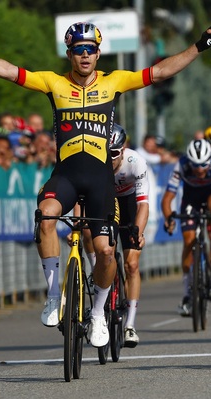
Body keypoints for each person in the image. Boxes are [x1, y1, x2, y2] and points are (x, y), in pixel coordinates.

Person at [0, 18, 211, 347]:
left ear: (98, 54)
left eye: (90, 49)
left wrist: (201, 46)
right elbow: (6, 70)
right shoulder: (53, 83)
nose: (84, 55)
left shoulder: (114, 82)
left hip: (101, 179)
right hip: (67, 174)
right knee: (45, 216)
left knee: (105, 252)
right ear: (69, 54)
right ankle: (52, 295)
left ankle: (99, 313)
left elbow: (160, 72)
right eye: (78, 50)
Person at [80, 123, 149, 347]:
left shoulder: (135, 162)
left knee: (131, 265)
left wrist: (138, 231)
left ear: (123, 149)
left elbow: (143, 205)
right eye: (104, 153)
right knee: (88, 231)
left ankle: (130, 325)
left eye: (114, 154)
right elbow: (81, 199)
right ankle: (96, 269)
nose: (109, 159)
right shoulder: (92, 164)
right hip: (104, 200)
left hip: (129, 203)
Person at [162, 139, 211, 316]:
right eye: (195, 166)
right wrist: (169, 218)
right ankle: (187, 295)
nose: (199, 170)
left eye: (203, 165)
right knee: (189, 241)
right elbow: (168, 198)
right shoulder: (181, 165)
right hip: (191, 200)